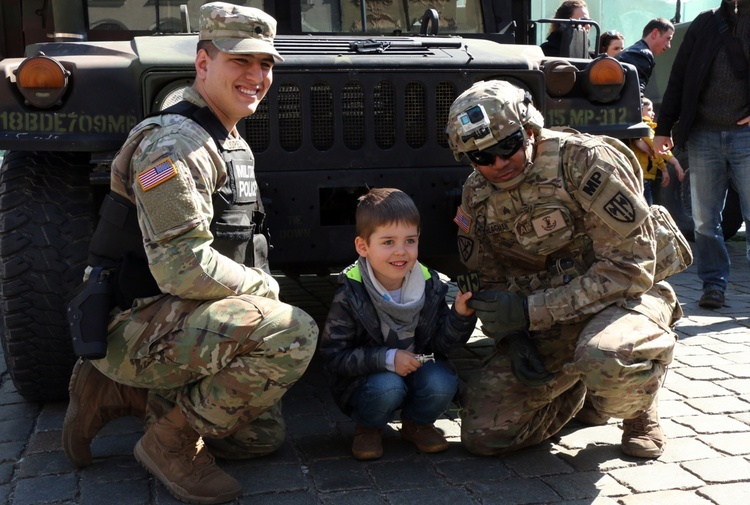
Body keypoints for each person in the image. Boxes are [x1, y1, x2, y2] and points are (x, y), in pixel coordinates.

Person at [61, 3, 319, 504]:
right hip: (134, 320)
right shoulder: (173, 147)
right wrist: (264, 290)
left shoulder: (225, 136)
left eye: (265, 63)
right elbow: (181, 266)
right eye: (239, 61)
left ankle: (121, 393)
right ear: (203, 63)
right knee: (292, 333)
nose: (256, 75)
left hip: (176, 316)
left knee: (258, 440)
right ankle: (168, 442)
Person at [445, 80, 682, 459]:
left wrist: (529, 312)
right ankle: (575, 387)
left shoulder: (584, 161)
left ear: (529, 129)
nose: (498, 164)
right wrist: (512, 337)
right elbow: (485, 279)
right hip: (547, 319)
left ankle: (638, 409)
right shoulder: (477, 194)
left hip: (623, 302)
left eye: (507, 147)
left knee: (607, 357)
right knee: (484, 435)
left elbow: (631, 268)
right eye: (482, 158)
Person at [319, 188, 477, 461]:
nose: (401, 252)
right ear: (363, 247)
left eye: (410, 241)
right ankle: (369, 427)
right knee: (387, 387)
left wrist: (459, 317)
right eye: (388, 242)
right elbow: (334, 356)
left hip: (416, 368)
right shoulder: (351, 291)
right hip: (368, 381)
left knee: (441, 380)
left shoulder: (429, 283)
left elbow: (441, 345)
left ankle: (417, 424)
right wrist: (388, 358)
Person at [654, 0, 750, 309]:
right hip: (702, 134)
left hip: (746, 136)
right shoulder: (705, 22)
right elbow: (679, 77)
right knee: (705, 220)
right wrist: (664, 127)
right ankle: (714, 284)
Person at [630, 97, 685, 205]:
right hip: (643, 176)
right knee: (648, 208)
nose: (653, 113)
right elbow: (656, 147)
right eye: (649, 110)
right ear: (639, 111)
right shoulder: (645, 127)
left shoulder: (640, 130)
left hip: (643, 175)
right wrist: (672, 164)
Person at [617, 17, 675, 95]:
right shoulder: (642, 55)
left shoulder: (634, 51)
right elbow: (635, 94)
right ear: (655, 33)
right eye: (668, 39)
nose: (669, 45)